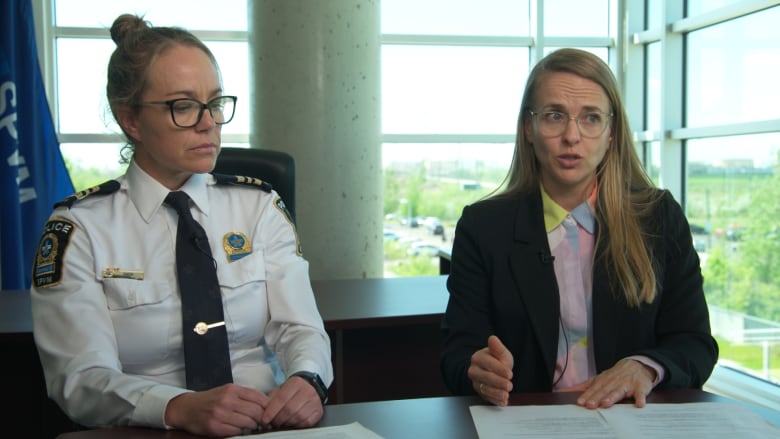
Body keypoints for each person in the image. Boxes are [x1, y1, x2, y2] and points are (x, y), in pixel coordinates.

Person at [30, 14, 332, 436]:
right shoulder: (80, 230)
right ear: (130, 120)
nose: (208, 122)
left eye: (214, 103)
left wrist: (307, 378)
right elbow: (79, 378)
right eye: (183, 106)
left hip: (265, 426)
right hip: (149, 431)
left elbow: (301, 329)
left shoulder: (259, 207)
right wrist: (176, 407)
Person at [440, 48, 718, 410]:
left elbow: (695, 344)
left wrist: (643, 368)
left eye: (590, 118)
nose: (572, 136)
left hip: (630, 424)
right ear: (529, 128)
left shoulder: (659, 217)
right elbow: (456, 353)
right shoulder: (483, 227)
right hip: (527, 426)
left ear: (611, 133)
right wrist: (478, 371)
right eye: (555, 116)